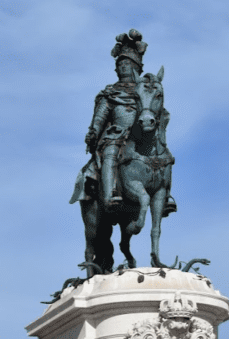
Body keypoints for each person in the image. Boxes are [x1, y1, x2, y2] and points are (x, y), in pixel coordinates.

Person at [73, 29, 176, 215]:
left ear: (136, 66)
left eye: (127, 63)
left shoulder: (145, 91)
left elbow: (161, 114)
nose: (123, 67)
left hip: (142, 134)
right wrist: (94, 131)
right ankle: (110, 192)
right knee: (111, 151)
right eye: (120, 64)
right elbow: (100, 117)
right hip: (116, 135)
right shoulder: (110, 93)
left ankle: (166, 194)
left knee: (165, 154)